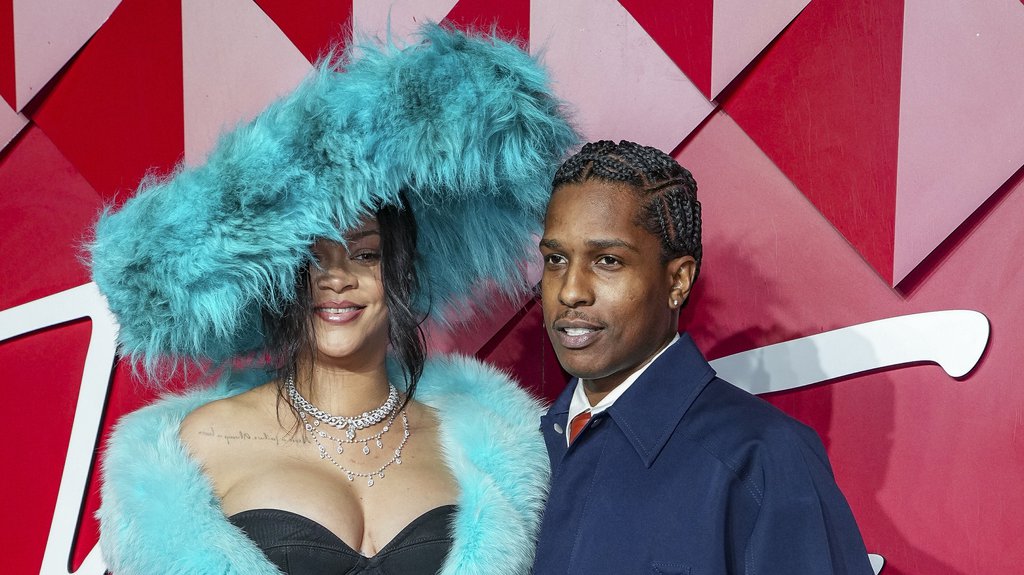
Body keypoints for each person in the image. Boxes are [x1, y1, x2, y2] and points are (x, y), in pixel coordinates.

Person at [90, 26, 576, 574]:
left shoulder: (491, 448)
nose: (338, 279)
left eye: (366, 255)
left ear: (402, 271)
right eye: (314, 260)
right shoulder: (192, 447)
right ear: (277, 280)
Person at [532, 140, 874, 574]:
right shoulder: (513, 452)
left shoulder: (765, 457)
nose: (570, 291)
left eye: (608, 261)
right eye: (556, 259)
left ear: (678, 280)